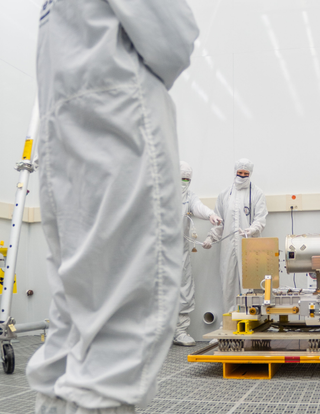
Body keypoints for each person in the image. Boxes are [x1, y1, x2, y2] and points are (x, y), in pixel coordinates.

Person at [25, 1, 198, 413]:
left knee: (72, 329)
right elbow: (174, 39)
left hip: (65, 145)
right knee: (121, 334)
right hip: (117, 136)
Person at [203, 159, 268, 314]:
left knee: (249, 282)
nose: (242, 176)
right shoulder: (225, 194)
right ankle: (228, 323)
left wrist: (251, 230)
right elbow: (219, 221)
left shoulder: (257, 194)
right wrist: (210, 238)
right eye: (240, 173)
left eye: (246, 174)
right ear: (235, 172)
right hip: (228, 246)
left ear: (250, 174)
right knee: (228, 282)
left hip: (249, 245)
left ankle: (250, 319)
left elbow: (261, 218)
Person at [175, 161, 222, 346]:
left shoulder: (189, 197)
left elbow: (198, 207)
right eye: (181, 178)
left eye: (187, 179)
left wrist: (211, 214)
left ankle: (180, 331)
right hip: (156, 253)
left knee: (184, 289)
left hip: (180, 251)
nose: (184, 182)